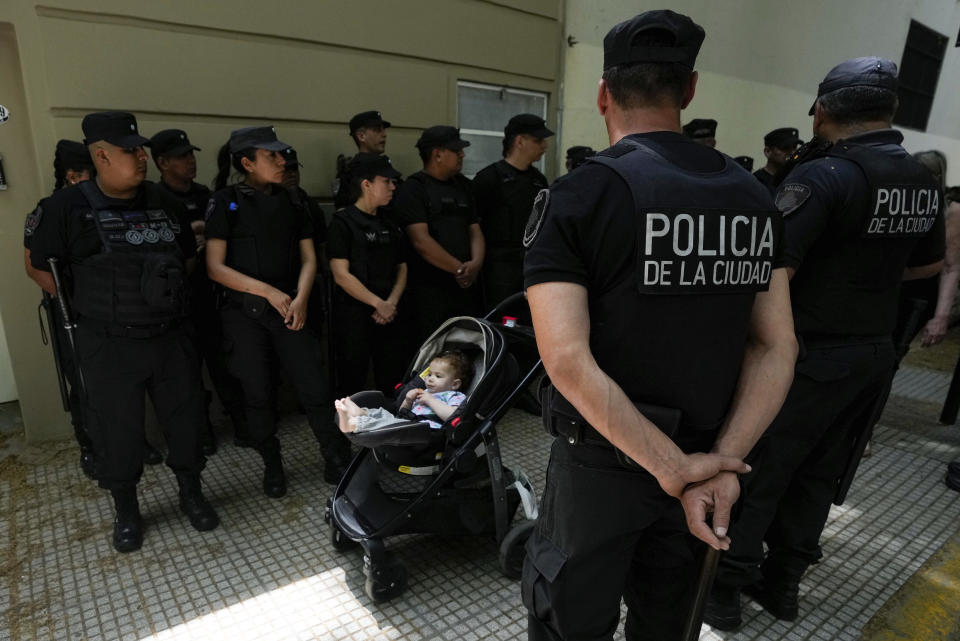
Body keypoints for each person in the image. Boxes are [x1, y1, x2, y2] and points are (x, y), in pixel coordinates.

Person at [521, 11, 797, 640]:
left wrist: (669, 467)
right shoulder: (756, 199)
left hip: (603, 465)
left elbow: (567, 359)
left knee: (570, 621)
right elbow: (777, 343)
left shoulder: (579, 196)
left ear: (602, 94)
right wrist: (722, 463)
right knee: (669, 623)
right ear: (690, 90)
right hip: (709, 456)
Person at [705, 57, 946, 630]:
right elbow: (930, 263)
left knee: (762, 468)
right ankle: (783, 583)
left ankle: (726, 590)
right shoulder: (920, 179)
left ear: (826, 109)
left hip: (806, 353)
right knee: (821, 472)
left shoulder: (822, 176)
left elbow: (774, 272)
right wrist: (867, 282)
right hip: (872, 354)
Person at [27, 111, 219, 552]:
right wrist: (91, 303)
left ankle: (192, 492)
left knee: (186, 421)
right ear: (100, 156)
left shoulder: (163, 200)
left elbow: (187, 258)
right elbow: (38, 266)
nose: (141, 157)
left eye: (140, 148)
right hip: (108, 343)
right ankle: (127, 508)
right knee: (117, 430)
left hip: (170, 338)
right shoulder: (64, 208)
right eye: (129, 150)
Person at [205, 125, 351, 492]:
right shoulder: (225, 202)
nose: (282, 161)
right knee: (257, 393)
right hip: (246, 314)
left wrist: (301, 298)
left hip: (291, 308)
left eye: (281, 154)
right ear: (247, 163)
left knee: (314, 387)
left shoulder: (292, 201)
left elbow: (308, 258)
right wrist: (268, 292)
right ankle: (272, 465)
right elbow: (215, 268)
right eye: (271, 156)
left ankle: (335, 458)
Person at [150, 128, 246, 455]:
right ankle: (201, 429)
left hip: (215, 294)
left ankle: (241, 423)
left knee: (226, 363)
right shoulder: (155, 200)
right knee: (188, 372)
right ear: (162, 163)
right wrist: (190, 237)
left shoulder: (208, 196)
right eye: (181, 157)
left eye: (191, 155)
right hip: (178, 300)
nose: (190, 162)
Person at [23, 139, 98, 477]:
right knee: (82, 381)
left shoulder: (106, 204)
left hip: (110, 309)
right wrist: (71, 300)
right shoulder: (48, 209)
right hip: (72, 311)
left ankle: (132, 440)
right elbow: (33, 266)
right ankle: (90, 445)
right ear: (71, 176)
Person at [327, 153, 411, 399]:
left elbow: (402, 267)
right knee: (352, 375)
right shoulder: (343, 223)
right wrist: (378, 304)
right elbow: (341, 275)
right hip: (356, 313)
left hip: (391, 310)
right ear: (366, 184)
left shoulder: (390, 221)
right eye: (387, 181)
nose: (393, 187)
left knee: (393, 374)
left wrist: (391, 303)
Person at [393, 126, 485, 341]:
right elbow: (421, 240)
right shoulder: (413, 189)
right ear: (437, 154)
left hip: (465, 287)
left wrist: (476, 263)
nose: (462, 154)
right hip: (429, 290)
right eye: (456, 150)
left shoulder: (463, 186)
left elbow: (475, 230)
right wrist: (461, 270)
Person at [473, 114, 552, 309]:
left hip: (530, 261)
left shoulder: (538, 180)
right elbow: (474, 226)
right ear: (519, 141)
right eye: (538, 140)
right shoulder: (489, 178)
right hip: (498, 265)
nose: (544, 146)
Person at [895, 151, 960, 350]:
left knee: (893, 353)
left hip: (917, 296)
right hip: (889, 289)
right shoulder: (902, 200)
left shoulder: (951, 210)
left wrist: (941, 317)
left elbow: (951, 267)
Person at [335, 349, 470, 433]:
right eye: (429, 374)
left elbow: (453, 416)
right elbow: (402, 414)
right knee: (385, 415)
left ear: (455, 384)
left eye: (438, 376)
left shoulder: (454, 396)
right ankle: (362, 413)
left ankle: (353, 424)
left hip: (426, 431)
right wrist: (408, 400)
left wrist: (431, 400)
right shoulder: (424, 391)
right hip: (406, 423)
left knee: (387, 425)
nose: (430, 379)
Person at [280, 145, 329, 338]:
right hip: (283, 279)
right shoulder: (272, 201)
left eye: (295, 169)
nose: (291, 174)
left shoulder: (308, 203)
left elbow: (322, 243)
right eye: (286, 170)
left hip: (309, 279)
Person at [333, 110, 392, 210]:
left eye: (384, 130)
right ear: (361, 136)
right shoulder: (354, 172)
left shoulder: (384, 165)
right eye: (377, 130)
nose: (384, 134)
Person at [753, 127, 802, 196]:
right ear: (768, 151)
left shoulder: (797, 178)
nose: (792, 152)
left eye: (794, 147)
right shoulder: (756, 181)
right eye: (785, 147)